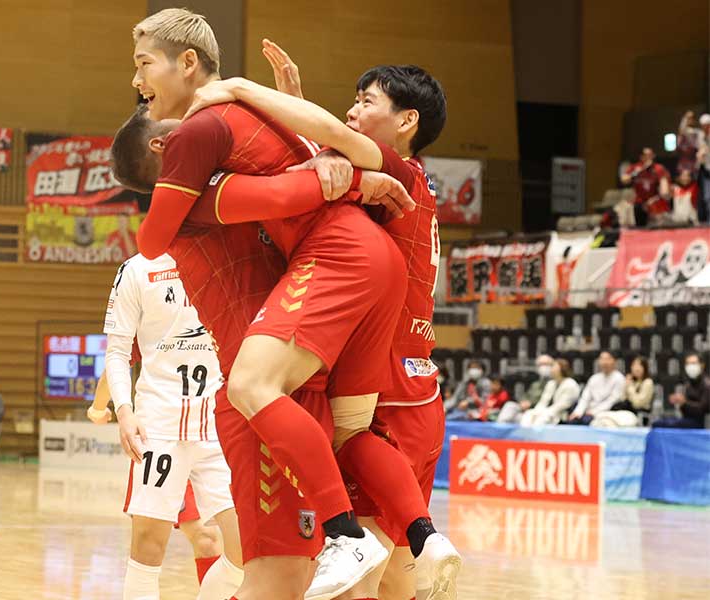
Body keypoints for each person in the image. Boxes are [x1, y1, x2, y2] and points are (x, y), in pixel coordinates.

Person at [118, 11, 399, 598]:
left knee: (286, 571)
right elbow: (297, 184)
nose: (137, 81)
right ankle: (389, 534)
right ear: (163, 151)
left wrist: (275, 104)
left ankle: (369, 535)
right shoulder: (202, 187)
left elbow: (305, 169)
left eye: (144, 65)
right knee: (277, 570)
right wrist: (353, 179)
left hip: (286, 375)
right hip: (273, 379)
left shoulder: (224, 136)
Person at [239, 49, 461, 600]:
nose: (352, 112)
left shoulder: (396, 169)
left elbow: (327, 136)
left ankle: (412, 538)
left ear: (406, 121)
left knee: (350, 585)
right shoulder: (416, 188)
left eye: (367, 102)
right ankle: (429, 538)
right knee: (393, 585)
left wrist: (241, 90)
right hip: (421, 392)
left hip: (387, 393)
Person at [87, 252, 243, 600]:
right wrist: (123, 411)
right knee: (148, 546)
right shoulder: (137, 269)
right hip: (159, 424)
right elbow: (117, 352)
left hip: (219, 424)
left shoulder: (225, 251)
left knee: (246, 553)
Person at [591, 355, 654, 428]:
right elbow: (623, 399)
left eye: (639, 365)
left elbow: (638, 403)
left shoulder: (648, 382)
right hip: (625, 411)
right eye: (634, 365)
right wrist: (626, 386)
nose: (636, 368)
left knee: (610, 422)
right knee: (602, 419)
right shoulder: (632, 382)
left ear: (645, 368)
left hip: (638, 413)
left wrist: (630, 387)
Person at [564, 351, 625, 425]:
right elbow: (585, 398)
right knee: (572, 421)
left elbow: (612, 400)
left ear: (614, 361)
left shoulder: (619, 378)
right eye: (602, 359)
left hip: (605, 412)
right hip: (587, 411)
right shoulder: (594, 378)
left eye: (607, 359)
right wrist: (578, 412)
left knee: (587, 421)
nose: (604, 362)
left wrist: (594, 412)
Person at [654, 353, 710, 429]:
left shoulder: (707, 384)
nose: (690, 366)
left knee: (661, 424)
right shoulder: (689, 383)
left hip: (702, 422)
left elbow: (703, 409)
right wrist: (680, 402)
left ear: (702, 365)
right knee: (659, 422)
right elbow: (685, 411)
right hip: (687, 419)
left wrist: (685, 402)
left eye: (693, 363)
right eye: (688, 364)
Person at [520, 359, 580, 426]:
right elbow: (543, 402)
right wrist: (536, 413)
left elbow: (561, 406)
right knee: (529, 414)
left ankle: (535, 436)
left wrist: (543, 413)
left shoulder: (571, 384)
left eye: (553, 366)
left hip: (562, 414)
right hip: (547, 411)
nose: (551, 369)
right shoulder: (551, 383)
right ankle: (525, 435)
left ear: (561, 369)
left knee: (543, 418)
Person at [620, 147, 671, 227]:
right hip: (639, 202)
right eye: (646, 155)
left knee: (656, 226)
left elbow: (664, 189)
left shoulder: (658, 168)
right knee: (639, 224)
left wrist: (661, 196)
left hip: (654, 201)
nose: (648, 157)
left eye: (651, 155)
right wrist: (640, 170)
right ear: (641, 157)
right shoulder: (635, 167)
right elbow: (624, 180)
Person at [497, 355, 553, 423]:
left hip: (539, 411)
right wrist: (523, 402)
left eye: (545, 364)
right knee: (510, 406)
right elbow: (526, 396)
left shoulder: (553, 383)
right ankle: (499, 429)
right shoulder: (535, 384)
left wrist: (531, 404)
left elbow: (548, 401)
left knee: (518, 418)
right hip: (526, 411)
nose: (543, 367)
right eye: (540, 365)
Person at [677, 110, 704, 177]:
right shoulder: (682, 133)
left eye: (692, 118)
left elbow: (701, 146)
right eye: (687, 118)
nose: (689, 120)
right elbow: (682, 131)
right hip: (683, 165)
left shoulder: (698, 132)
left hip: (695, 164)